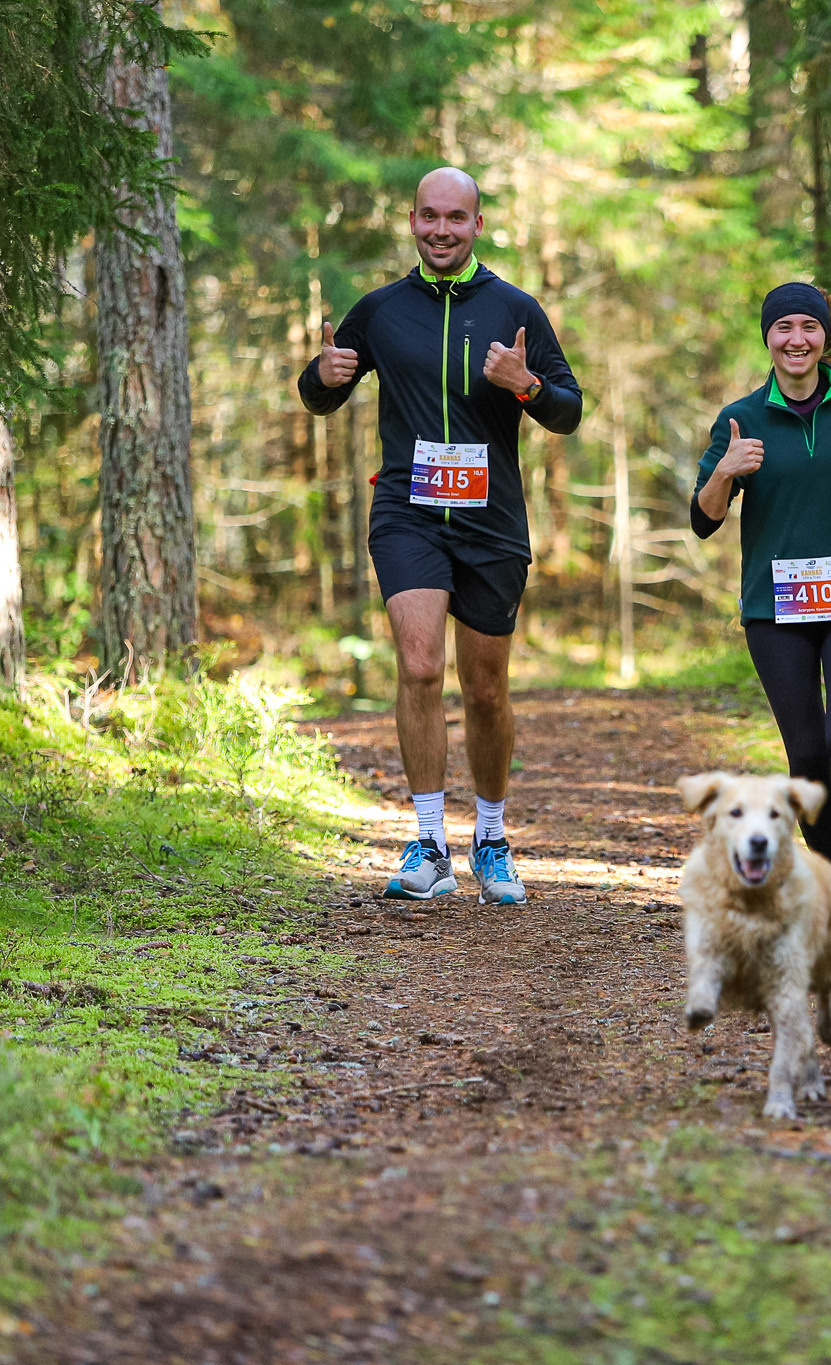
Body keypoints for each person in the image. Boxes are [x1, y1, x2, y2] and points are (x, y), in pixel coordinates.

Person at [298, 167, 583, 905]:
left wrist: (526, 383)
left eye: (457, 217)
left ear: (477, 224)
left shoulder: (516, 308)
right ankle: (427, 842)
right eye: (429, 216)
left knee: (485, 690)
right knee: (420, 664)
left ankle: (491, 838)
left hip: (493, 521)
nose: (442, 230)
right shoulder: (382, 310)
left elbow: (568, 410)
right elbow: (321, 393)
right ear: (413, 220)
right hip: (408, 511)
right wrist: (321, 375)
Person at [691, 282, 831, 897]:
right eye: (783, 327)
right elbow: (703, 517)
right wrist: (726, 474)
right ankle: (828, 883)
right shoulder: (740, 418)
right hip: (775, 609)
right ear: (768, 338)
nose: (797, 339)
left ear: (825, 338)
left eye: (809, 328)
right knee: (808, 757)